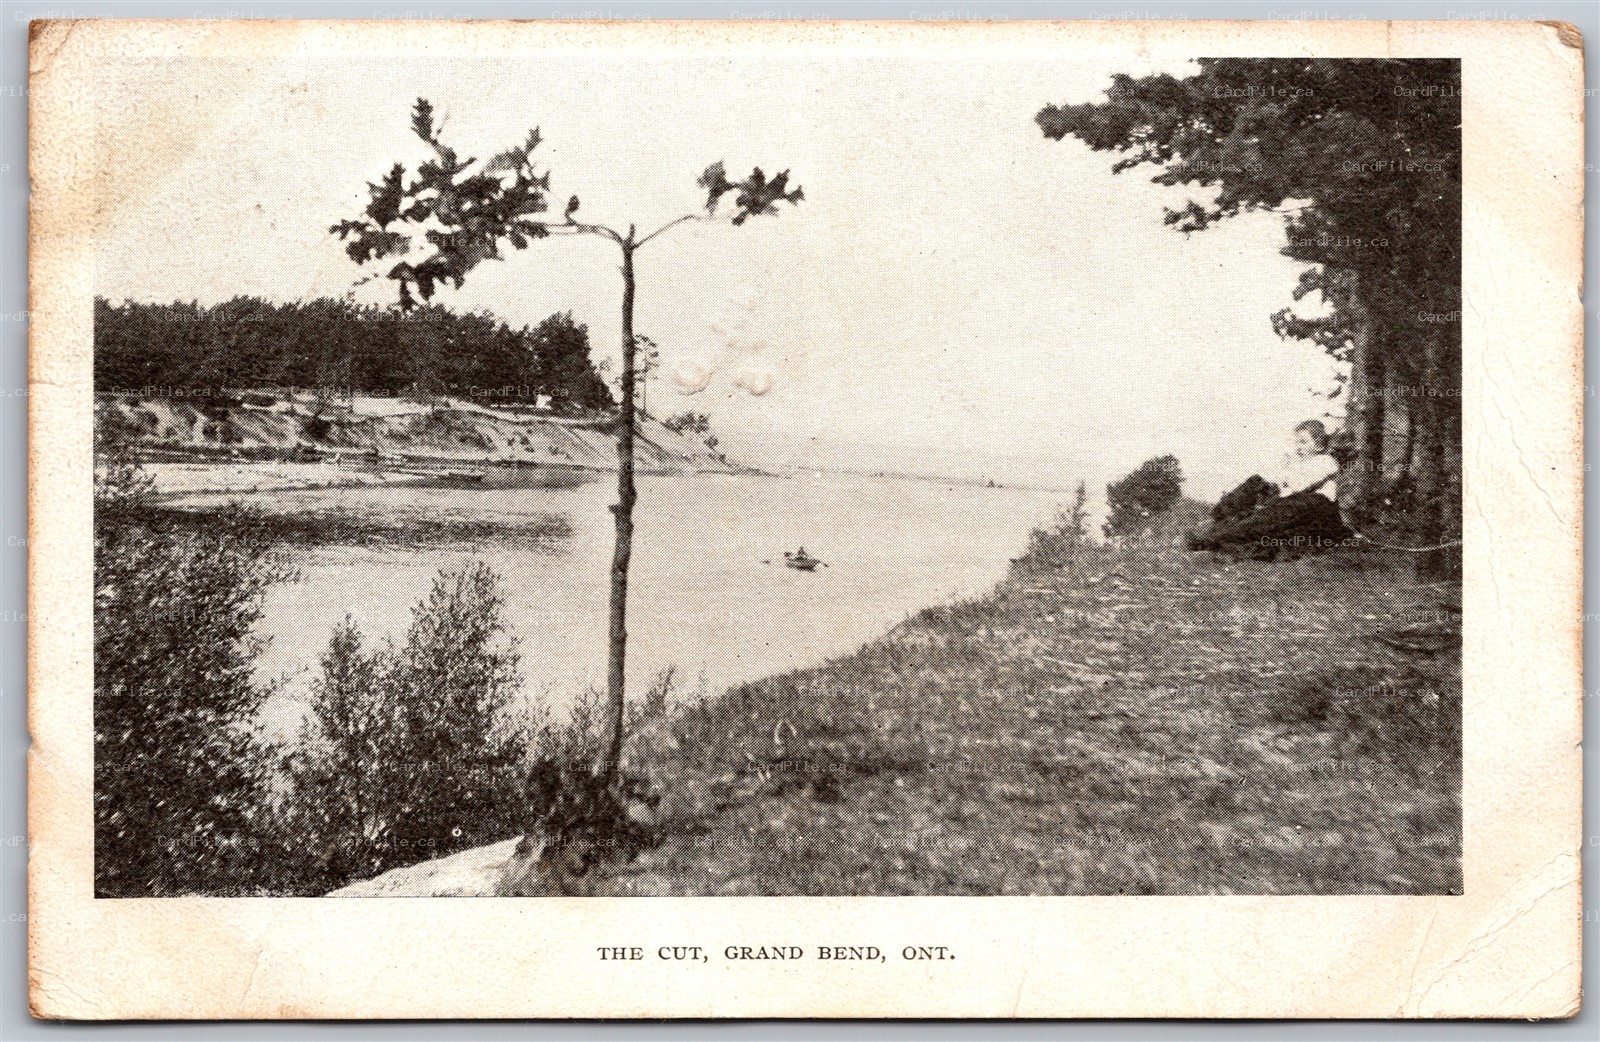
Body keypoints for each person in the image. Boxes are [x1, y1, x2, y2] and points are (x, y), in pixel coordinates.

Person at [1187, 420, 1353, 561]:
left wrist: (1286, 472)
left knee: (1270, 516)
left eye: (1303, 442)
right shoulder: (1299, 462)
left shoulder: (1325, 461)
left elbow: (1296, 487)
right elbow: (1277, 483)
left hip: (1315, 509)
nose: (1298, 447)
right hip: (1294, 505)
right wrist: (1280, 473)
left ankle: (1211, 540)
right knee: (1256, 481)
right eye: (1297, 442)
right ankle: (1215, 520)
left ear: (1318, 445)